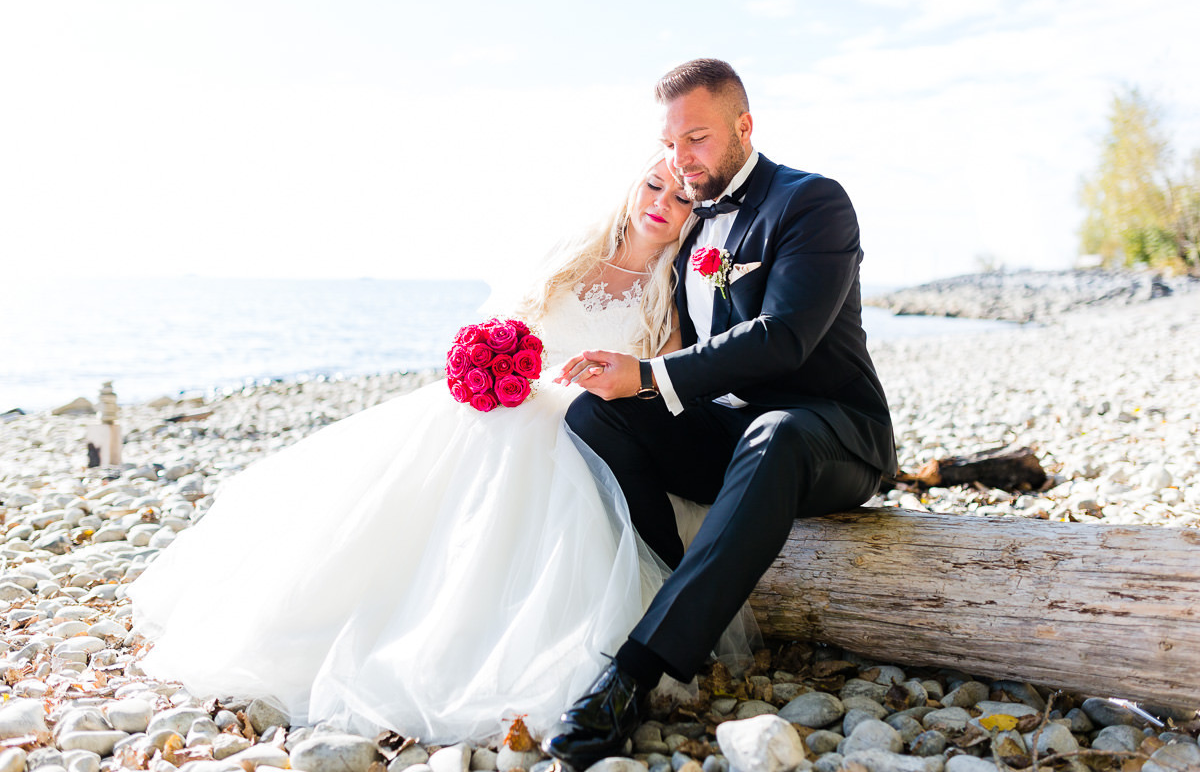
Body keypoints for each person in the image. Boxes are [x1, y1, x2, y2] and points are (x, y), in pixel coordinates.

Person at [128, 155, 696, 744]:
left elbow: (665, 378)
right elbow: (516, 320)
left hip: (583, 420)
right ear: (633, 187)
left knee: (530, 476)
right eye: (653, 186)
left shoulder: (669, 290)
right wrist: (491, 359)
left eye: (679, 198)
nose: (661, 203)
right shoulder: (574, 255)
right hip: (509, 400)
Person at [544, 58, 898, 768]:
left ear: (744, 126)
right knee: (594, 417)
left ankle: (634, 673)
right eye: (670, 144)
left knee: (776, 433)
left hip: (831, 433)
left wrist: (648, 374)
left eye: (697, 139)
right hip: (737, 433)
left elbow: (785, 338)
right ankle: (676, 584)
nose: (681, 160)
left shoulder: (812, 202)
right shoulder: (692, 232)